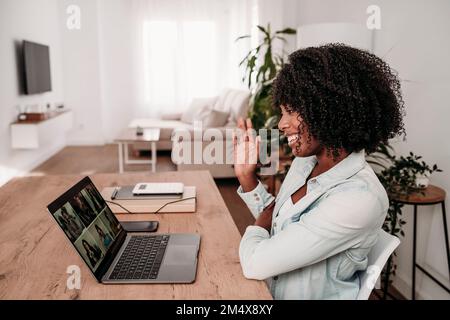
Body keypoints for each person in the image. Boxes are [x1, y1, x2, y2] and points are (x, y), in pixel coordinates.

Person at [234, 44, 405, 300]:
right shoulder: (306, 162)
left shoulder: (359, 198)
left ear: (330, 109)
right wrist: (247, 178)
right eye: (282, 113)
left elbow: (256, 262)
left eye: (291, 112)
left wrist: (261, 223)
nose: (281, 124)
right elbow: (282, 226)